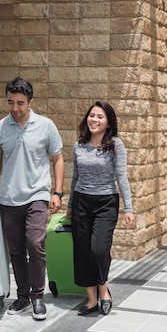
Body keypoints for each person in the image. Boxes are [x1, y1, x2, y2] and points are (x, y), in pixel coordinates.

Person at [0, 76, 65, 321]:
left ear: (30, 102)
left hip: (37, 195)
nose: (14, 108)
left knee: (35, 243)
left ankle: (38, 296)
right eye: (10, 102)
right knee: (16, 250)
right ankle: (23, 296)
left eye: (19, 103)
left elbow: (57, 159)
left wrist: (57, 192)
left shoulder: (46, 126)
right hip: (9, 198)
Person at [66, 100, 135, 316]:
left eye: (100, 117)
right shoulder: (78, 145)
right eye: (92, 115)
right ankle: (92, 298)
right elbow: (75, 177)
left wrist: (129, 209)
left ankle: (104, 290)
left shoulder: (115, 144)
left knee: (98, 249)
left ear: (108, 122)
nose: (94, 120)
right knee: (82, 250)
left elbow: (121, 177)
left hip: (106, 202)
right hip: (81, 202)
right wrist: (70, 204)